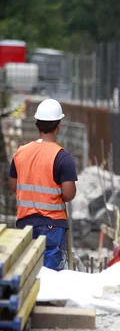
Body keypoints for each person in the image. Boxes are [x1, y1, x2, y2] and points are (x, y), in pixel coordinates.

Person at [9, 98, 78, 271]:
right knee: (50, 278)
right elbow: (68, 194)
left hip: (25, 225)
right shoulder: (62, 157)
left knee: (28, 274)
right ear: (59, 125)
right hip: (52, 227)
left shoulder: (20, 153)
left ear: (36, 123)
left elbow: (13, 186)